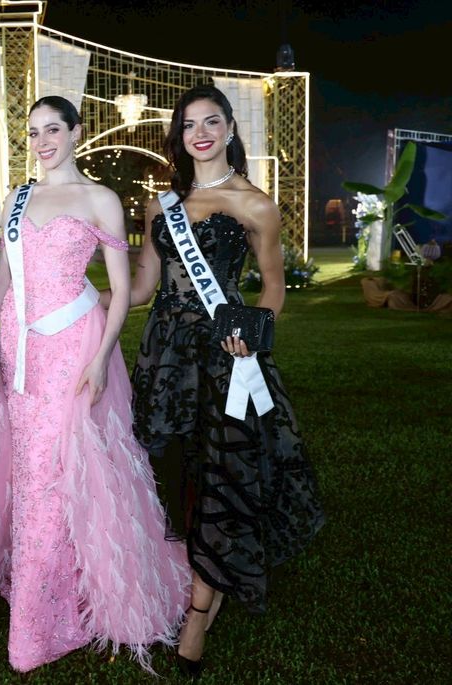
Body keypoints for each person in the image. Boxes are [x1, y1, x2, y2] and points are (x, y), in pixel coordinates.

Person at [0, 96, 188, 673]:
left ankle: (41, 622)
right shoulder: (17, 196)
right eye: (34, 132)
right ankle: (41, 583)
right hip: (22, 352)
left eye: (53, 129)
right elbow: (4, 275)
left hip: (72, 348)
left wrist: (100, 360)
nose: (43, 140)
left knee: (58, 469)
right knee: (30, 471)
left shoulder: (99, 199)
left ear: (76, 132)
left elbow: (120, 291)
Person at [127, 84, 324, 676]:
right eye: (189, 125)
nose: (201, 133)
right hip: (165, 357)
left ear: (231, 128)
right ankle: (198, 574)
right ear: (179, 136)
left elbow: (272, 285)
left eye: (212, 122)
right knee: (175, 470)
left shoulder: (254, 203)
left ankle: (196, 611)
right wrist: (74, 304)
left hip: (223, 353)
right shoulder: (160, 205)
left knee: (221, 470)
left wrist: (253, 330)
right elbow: (143, 288)